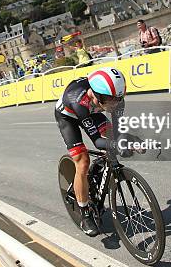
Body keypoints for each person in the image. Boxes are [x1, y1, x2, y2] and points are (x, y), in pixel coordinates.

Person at [55, 67, 129, 237]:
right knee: (82, 161)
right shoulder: (78, 101)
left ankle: (97, 174)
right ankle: (85, 213)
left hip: (93, 111)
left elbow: (119, 130)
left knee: (112, 138)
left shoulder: (115, 98)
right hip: (69, 117)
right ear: (96, 94)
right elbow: (96, 141)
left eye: (118, 99)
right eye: (110, 100)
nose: (115, 104)